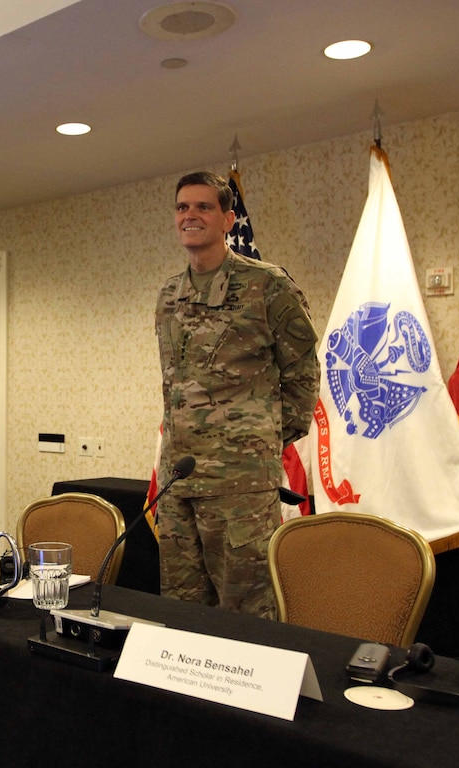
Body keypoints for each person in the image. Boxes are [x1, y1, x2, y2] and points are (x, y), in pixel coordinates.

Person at [155, 171, 319, 618]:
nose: (191, 215)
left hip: (239, 486)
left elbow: (302, 369)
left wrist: (259, 443)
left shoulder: (267, 285)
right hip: (179, 479)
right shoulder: (169, 294)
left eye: (203, 207)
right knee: (180, 611)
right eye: (182, 207)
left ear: (228, 219)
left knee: (245, 613)